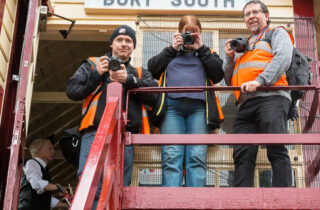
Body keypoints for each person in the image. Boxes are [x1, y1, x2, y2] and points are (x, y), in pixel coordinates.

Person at [66, 25, 157, 209]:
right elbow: (72, 91)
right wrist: (97, 74)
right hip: (95, 133)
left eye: (128, 41)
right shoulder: (93, 64)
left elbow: (154, 95)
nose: (124, 44)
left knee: (120, 186)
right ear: (111, 43)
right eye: (120, 40)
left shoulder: (139, 73)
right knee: (91, 183)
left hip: (126, 137)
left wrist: (129, 80)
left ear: (134, 47)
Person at [223, 0, 293, 187]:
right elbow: (230, 81)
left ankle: (283, 199)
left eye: (255, 12)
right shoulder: (243, 46)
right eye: (247, 14)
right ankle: (242, 201)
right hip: (245, 104)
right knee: (242, 154)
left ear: (266, 16)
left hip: (272, 97)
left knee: (276, 149)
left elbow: (284, 57)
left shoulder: (276, 32)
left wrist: (260, 81)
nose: (251, 16)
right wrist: (229, 59)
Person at [148, 15, 224, 187]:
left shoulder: (207, 52)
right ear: (179, 33)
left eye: (194, 33)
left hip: (199, 110)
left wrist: (201, 47)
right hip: (171, 109)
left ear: (200, 33)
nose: (190, 36)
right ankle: (171, 201)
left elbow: (218, 75)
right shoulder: (170, 51)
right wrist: (173, 48)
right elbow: (152, 69)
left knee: (197, 155)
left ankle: (195, 202)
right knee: (171, 155)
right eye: (186, 33)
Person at [18, 138, 68, 209]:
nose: (53, 151)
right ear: (39, 150)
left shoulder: (44, 169)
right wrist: (59, 187)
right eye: (50, 149)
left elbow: (45, 200)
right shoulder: (32, 163)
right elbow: (36, 183)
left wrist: (67, 205)